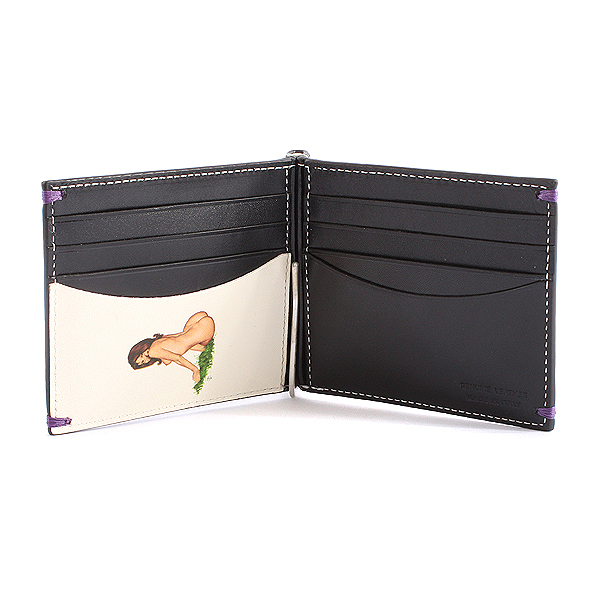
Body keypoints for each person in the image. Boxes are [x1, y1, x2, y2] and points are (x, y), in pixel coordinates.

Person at [128, 312, 215, 383]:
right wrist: (203, 349)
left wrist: (195, 370)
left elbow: (178, 358)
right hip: (199, 320)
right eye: (143, 361)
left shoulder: (153, 352)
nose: (146, 356)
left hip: (204, 328)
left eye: (141, 355)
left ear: (141, 348)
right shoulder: (158, 341)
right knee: (186, 337)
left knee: (189, 339)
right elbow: (181, 340)